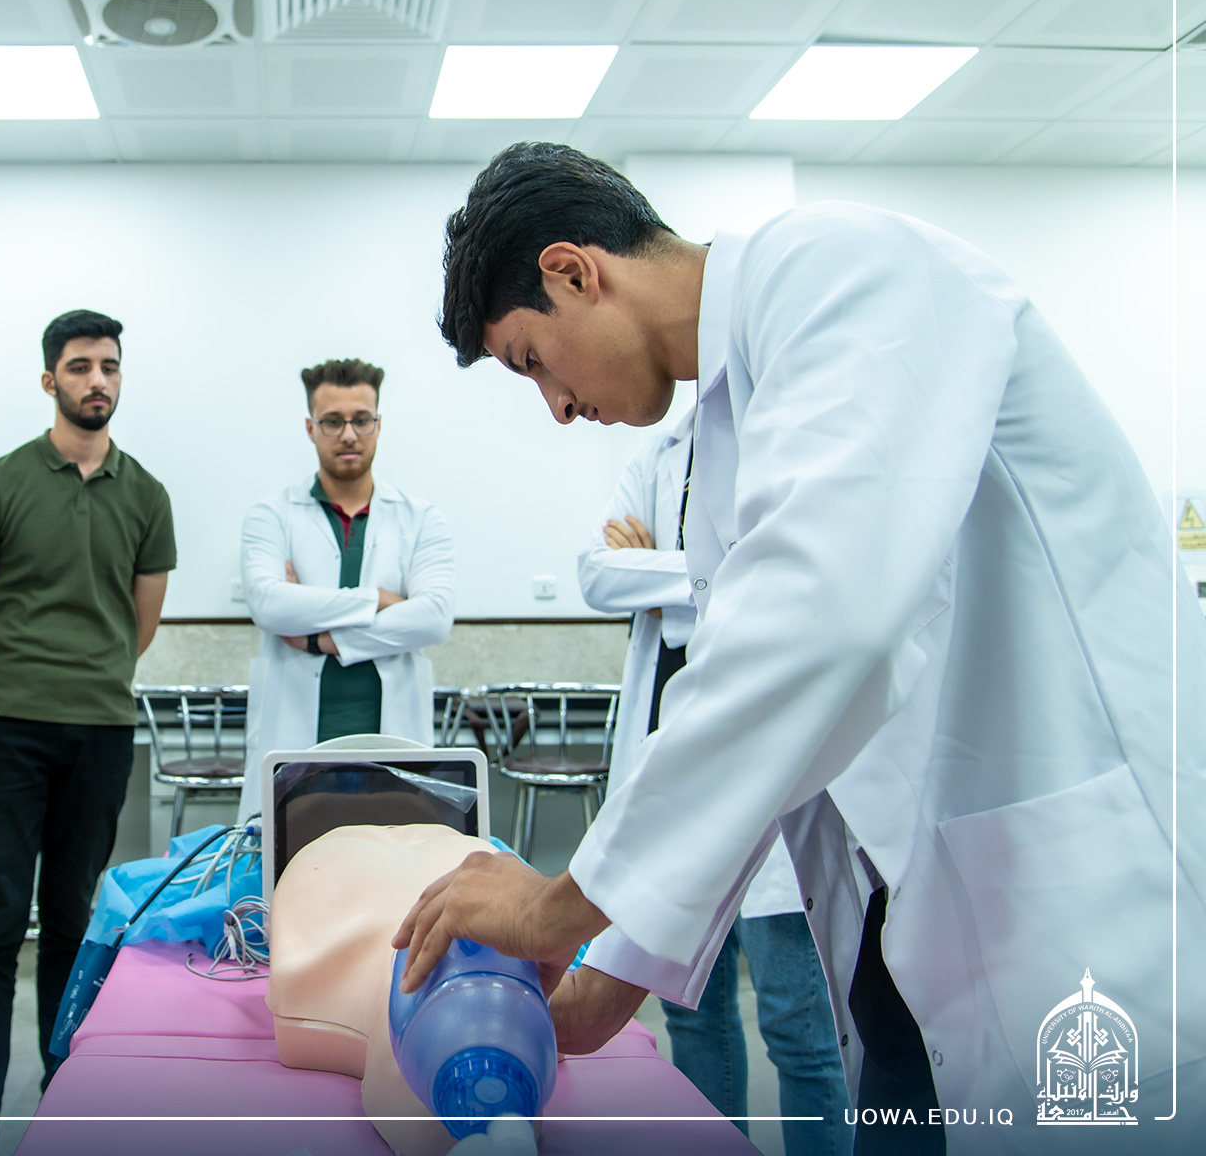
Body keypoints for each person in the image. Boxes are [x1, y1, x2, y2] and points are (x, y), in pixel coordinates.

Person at [396, 142, 1205, 1154]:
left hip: (1079, 915)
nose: (556, 406)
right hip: (913, 939)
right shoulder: (736, 418)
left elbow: (822, 623)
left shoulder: (846, 273)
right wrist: (614, 975)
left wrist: (559, 908)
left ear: (573, 272)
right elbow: (773, 723)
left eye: (532, 361)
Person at [579, 410, 850, 1156]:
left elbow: (789, 578)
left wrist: (659, 567)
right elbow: (597, 573)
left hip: (771, 769)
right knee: (689, 1012)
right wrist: (715, 572)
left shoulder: (783, 426)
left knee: (797, 1021)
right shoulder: (659, 450)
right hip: (670, 771)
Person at [0, 309, 176, 1156]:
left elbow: (139, 624)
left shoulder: (146, 495)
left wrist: (84, 679)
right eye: (80, 366)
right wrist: (20, 682)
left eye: (109, 366)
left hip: (100, 730)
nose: (97, 380)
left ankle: (59, 1104)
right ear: (51, 380)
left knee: (72, 923)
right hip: (5, 728)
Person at [238, 357, 456, 819]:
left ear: (378, 424)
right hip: (296, 742)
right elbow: (269, 604)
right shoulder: (272, 515)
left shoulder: (420, 519)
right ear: (311, 428)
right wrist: (377, 600)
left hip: (391, 744)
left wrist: (321, 639)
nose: (349, 434)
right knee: (288, 856)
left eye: (361, 420)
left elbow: (435, 617)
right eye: (333, 421)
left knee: (397, 855)